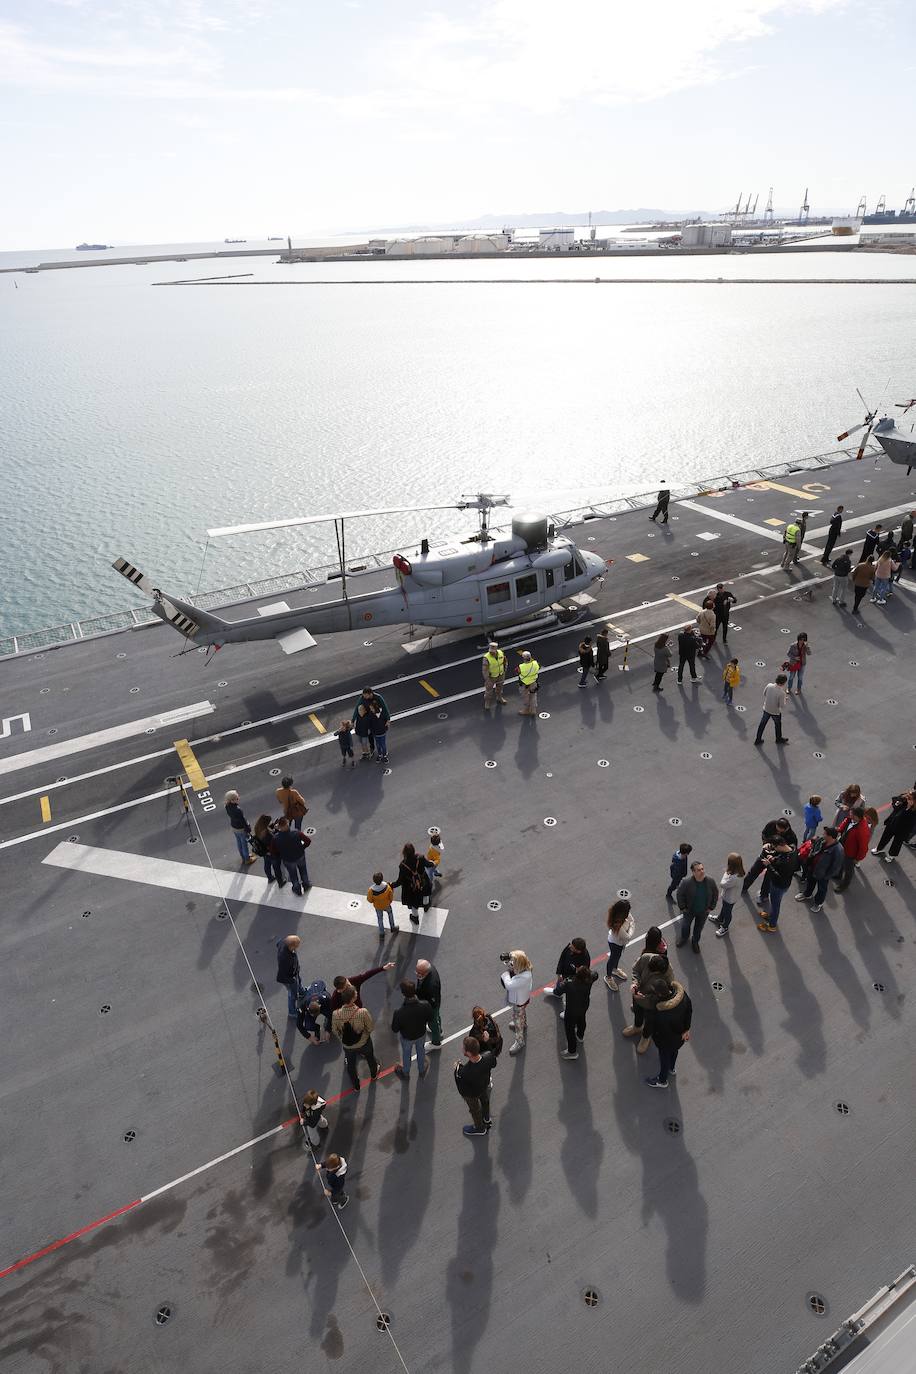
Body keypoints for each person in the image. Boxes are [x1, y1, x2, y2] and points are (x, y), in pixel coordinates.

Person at [621, 929, 669, 1054]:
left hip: (651, 1003)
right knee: (637, 1012)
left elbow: (665, 993)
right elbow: (636, 970)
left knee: (650, 1021)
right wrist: (634, 984)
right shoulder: (646, 958)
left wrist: (648, 998)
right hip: (638, 995)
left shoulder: (668, 974)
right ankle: (637, 1027)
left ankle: (646, 1037)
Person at [644, 977, 693, 1089]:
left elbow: (649, 1026)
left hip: (665, 1040)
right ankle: (672, 1068)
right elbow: (689, 1011)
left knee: (664, 1056)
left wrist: (646, 1034)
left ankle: (662, 1080)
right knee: (674, 1051)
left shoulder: (660, 1012)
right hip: (679, 1036)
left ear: (659, 995)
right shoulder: (683, 997)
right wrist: (687, 1029)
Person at [331, 986, 380, 1091]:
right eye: (356, 994)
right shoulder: (362, 1012)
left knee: (351, 1065)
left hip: (348, 1046)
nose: (357, 994)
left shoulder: (336, 1014)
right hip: (364, 1043)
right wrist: (364, 1035)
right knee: (370, 1059)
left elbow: (335, 1031)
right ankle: (374, 1075)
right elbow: (370, 1028)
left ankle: (356, 1086)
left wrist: (343, 1036)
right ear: (352, 999)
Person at [741, 816, 799, 895]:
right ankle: (744, 886)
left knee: (768, 879)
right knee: (754, 870)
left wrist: (775, 858)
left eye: (780, 832)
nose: (778, 833)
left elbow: (789, 851)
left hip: (777, 860)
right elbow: (764, 833)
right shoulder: (772, 824)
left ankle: (763, 895)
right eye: (777, 830)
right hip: (765, 853)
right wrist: (765, 843)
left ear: (786, 828)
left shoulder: (791, 837)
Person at [454, 1035, 496, 1136]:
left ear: (468, 1053)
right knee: (485, 1101)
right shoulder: (488, 1056)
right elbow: (493, 1062)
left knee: (475, 1110)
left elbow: (462, 1090)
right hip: (484, 1085)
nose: (462, 1049)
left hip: (473, 1093)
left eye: (463, 1048)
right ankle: (486, 1118)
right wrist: (488, 1044)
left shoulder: (465, 1072)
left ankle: (479, 1128)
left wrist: (457, 1069)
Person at [556, 963, 599, 1060]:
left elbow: (558, 991)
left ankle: (572, 1052)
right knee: (582, 1019)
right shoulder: (591, 978)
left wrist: (565, 980)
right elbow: (596, 974)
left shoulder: (570, 983)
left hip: (571, 1010)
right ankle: (580, 1035)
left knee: (569, 1029)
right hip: (584, 1005)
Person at [794, 827, 844, 911]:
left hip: (823, 874)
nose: (822, 835)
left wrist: (826, 876)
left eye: (825, 834)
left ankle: (818, 903)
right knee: (810, 882)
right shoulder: (821, 840)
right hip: (813, 867)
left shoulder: (838, 850)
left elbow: (836, 867)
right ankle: (807, 894)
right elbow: (813, 848)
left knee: (821, 889)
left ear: (831, 837)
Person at [392, 980, 432, 1079]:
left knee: (406, 1054)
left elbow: (395, 1029)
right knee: (420, 1050)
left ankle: (405, 1072)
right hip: (421, 1034)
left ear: (403, 994)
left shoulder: (399, 1012)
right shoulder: (425, 1005)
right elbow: (430, 1018)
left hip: (407, 1038)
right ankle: (421, 1069)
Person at [756, 838, 798, 932]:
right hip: (785, 883)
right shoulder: (792, 848)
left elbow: (778, 876)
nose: (775, 849)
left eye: (775, 847)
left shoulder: (786, 861)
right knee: (775, 903)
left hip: (779, 885)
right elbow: (780, 856)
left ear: (779, 845)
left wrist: (768, 865)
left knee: (775, 905)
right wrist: (774, 858)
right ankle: (771, 917)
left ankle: (772, 925)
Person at [676, 860, 718, 952]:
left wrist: (711, 907)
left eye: (702, 869)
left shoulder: (710, 881)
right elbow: (679, 894)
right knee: (685, 926)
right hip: (689, 911)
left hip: (703, 912)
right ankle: (684, 938)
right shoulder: (686, 882)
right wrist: (682, 907)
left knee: (698, 929)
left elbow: (715, 893)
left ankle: (695, 942)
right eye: (699, 870)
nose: (702, 871)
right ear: (693, 872)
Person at [834, 805, 877, 893]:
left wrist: (857, 859)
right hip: (843, 846)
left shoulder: (862, 830)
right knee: (841, 862)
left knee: (848, 870)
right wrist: (839, 829)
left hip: (850, 853)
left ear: (858, 816)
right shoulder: (850, 818)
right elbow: (845, 823)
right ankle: (838, 875)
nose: (850, 816)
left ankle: (844, 885)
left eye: (852, 814)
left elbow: (863, 847)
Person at [500, 950, 533, 1056]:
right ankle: (524, 1023)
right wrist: (508, 959)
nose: (511, 963)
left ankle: (519, 1041)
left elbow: (509, 984)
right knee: (522, 1012)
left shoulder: (524, 977)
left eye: (514, 961)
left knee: (517, 1017)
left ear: (519, 963)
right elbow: (516, 962)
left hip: (520, 1000)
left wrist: (505, 975)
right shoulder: (525, 966)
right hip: (522, 999)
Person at [329, 963, 395, 1013]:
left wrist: (383, 968)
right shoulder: (335, 999)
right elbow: (335, 1012)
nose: (350, 984)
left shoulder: (352, 981)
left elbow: (366, 975)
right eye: (347, 986)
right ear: (340, 990)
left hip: (359, 1009)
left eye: (348, 981)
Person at [391, 842, 430, 925]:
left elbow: (400, 881)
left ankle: (415, 918)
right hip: (423, 881)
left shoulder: (402, 865)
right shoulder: (421, 857)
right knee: (426, 893)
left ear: (404, 853)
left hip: (412, 888)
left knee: (414, 903)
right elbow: (428, 864)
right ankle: (426, 905)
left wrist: (391, 885)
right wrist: (434, 862)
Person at [871, 790, 916, 863]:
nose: (908, 799)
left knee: (897, 843)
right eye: (908, 797)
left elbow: (911, 823)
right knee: (885, 837)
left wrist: (908, 807)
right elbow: (894, 800)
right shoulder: (904, 801)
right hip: (892, 823)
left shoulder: (914, 811)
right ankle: (879, 848)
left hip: (903, 829)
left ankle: (891, 855)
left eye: (910, 798)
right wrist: (902, 798)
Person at [271, 817, 311, 894]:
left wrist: (281, 854)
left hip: (288, 860)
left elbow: (274, 851)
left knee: (293, 875)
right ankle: (306, 884)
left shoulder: (276, 838)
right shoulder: (296, 832)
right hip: (300, 856)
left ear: (279, 827)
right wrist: (302, 847)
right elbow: (308, 841)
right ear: (287, 825)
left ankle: (297, 889)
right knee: (303, 871)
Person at [710, 853, 744, 937]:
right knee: (725, 908)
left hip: (730, 898)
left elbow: (723, 884)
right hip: (730, 896)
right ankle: (720, 918)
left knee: (728, 912)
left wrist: (726, 873)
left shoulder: (734, 878)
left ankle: (725, 927)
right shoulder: (740, 872)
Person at [753, 674, 789, 746]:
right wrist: (785, 699)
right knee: (777, 725)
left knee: (762, 724)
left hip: (766, 708)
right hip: (775, 712)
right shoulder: (782, 693)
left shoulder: (769, 685)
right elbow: (782, 705)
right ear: (784, 682)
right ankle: (778, 739)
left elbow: (764, 694)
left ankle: (758, 739)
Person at [605, 899, 634, 989]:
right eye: (627, 911)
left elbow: (631, 918)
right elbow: (628, 936)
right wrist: (632, 925)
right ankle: (608, 977)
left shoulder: (621, 916)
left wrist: (631, 923)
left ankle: (614, 969)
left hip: (619, 943)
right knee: (613, 958)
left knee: (617, 957)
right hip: (616, 944)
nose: (629, 913)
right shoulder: (619, 926)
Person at [224, 790, 257, 865]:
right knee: (244, 844)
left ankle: (243, 857)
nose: (238, 798)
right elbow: (243, 821)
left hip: (234, 827)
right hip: (241, 829)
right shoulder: (238, 810)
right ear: (232, 800)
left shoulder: (227, 806)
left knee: (239, 842)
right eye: (237, 798)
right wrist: (248, 829)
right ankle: (247, 859)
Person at [296, 978, 333, 1044]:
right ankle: (317, 1028)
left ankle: (326, 1022)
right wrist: (309, 1037)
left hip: (319, 986)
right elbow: (299, 1024)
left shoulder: (326, 998)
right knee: (308, 1026)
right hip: (311, 997)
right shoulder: (303, 1005)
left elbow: (331, 1014)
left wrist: (328, 1030)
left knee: (332, 1016)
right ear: (307, 1009)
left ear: (319, 1006)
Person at [416, 959, 442, 1047]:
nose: (417, 974)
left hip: (431, 1006)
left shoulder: (431, 986)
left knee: (433, 1021)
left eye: (420, 973)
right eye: (417, 971)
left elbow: (432, 1003)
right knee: (436, 1019)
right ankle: (439, 1030)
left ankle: (436, 1043)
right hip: (432, 1002)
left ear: (426, 972)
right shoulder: (430, 969)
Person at [251, 813, 284, 885]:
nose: (271, 823)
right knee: (276, 867)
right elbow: (274, 840)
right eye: (269, 822)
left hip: (264, 852)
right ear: (266, 824)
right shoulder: (268, 835)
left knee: (267, 865)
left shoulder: (257, 828)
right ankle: (280, 882)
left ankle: (270, 877)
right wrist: (277, 830)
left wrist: (272, 826)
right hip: (271, 852)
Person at [276, 935, 304, 1017]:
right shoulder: (285, 959)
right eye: (296, 946)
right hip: (289, 978)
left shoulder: (283, 942)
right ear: (291, 946)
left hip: (294, 973)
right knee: (292, 994)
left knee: (299, 981)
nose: (297, 948)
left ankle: (301, 992)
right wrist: (292, 980)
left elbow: (277, 943)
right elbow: (280, 977)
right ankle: (292, 1012)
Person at [367, 871, 398, 937]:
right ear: (382, 879)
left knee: (380, 918)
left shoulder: (371, 890)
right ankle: (393, 927)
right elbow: (391, 896)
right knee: (390, 914)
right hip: (386, 904)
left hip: (378, 906)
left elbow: (369, 900)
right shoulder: (387, 887)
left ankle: (381, 933)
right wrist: (389, 901)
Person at [482, 642, 508, 710]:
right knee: (489, 691)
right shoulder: (486, 658)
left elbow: (505, 661)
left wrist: (504, 670)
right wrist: (487, 679)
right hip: (491, 677)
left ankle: (499, 698)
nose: (491, 653)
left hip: (500, 674)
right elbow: (485, 670)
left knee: (500, 687)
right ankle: (487, 702)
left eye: (493, 651)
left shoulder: (501, 653)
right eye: (491, 651)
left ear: (496, 649)